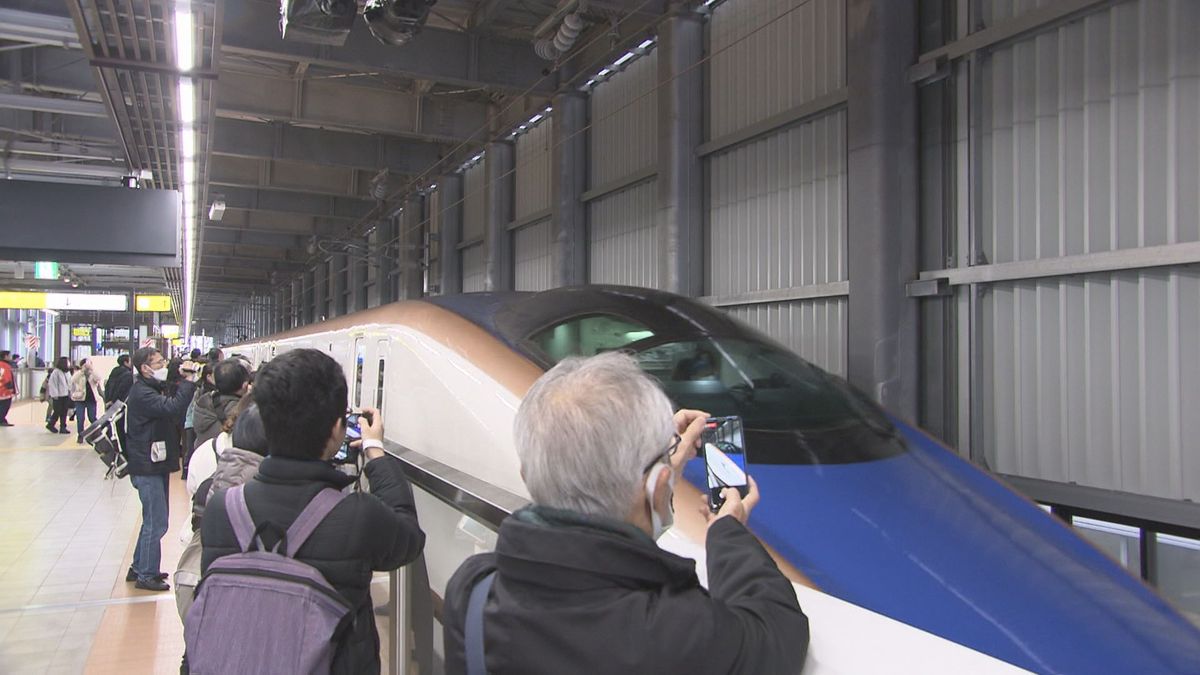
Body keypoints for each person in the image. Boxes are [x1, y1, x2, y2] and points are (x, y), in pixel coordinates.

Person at [442, 352, 809, 674]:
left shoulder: (473, 591)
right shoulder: (677, 634)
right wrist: (727, 529)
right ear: (660, 484)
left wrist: (658, 475)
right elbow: (776, 629)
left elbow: (589, 549)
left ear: (528, 476)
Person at [199, 348, 425, 673]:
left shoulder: (221, 507)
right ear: (336, 429)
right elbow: (409, 538)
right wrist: (376, 451)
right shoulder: (355, 515)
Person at [125, 347, 197, 591]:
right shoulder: (143, 394)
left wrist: (176, 377)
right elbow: (172, 408)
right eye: (159, 362)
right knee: (156, 522)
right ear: (145, 368)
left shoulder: (148, 388)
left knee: (152, 520)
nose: (163, 365)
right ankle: (146, 574)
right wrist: (188, 383)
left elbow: (169, 400)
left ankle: (140, 567)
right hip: (147, 465)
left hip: (151, 462)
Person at [192, 359, 250, 449]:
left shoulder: (202, 402)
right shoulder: (242, 411)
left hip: (202, 457)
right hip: (227, 460)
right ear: (244, 385)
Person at [70, 358, 103, 443]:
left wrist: (91, 369)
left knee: (92, 417)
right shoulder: (79, 374)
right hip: (80, 399)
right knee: (80, 418)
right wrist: (82, 371)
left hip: (91, 399)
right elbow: (73, 380)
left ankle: (97, 433)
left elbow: (98, 378)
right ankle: (80, 435)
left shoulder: (93, 373)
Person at [45, 357, 73, 434]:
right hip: (58, 396)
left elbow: (70, 382)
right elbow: (52, 384)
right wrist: (54, 394)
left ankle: (63, 427)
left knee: (64, 411)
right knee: (58, 411)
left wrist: (70, 392)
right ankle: (51, 424)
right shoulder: (56, 372)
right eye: (68, 362)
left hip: (66, 395)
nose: (69, 363)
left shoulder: (67, 372)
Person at [0, 350, 16, 427]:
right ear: (5, 356)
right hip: (4, 390)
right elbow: (6, 378)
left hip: (2, 389)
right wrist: (10, 388)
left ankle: (2, 419)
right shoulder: (5, 366)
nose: (10, 357)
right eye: (9, 356)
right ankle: (1, 420)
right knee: (5, 405)